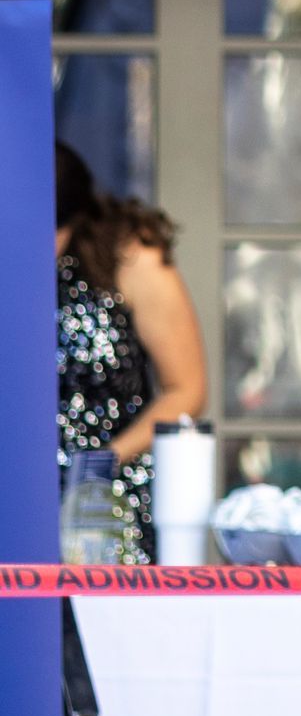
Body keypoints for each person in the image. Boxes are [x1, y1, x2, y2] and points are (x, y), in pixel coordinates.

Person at [55, 142, 207, 566]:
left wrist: (107, 458)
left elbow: (187, 389)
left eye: (50, 232)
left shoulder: (129, 255)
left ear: (75, 219)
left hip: (108, 506)